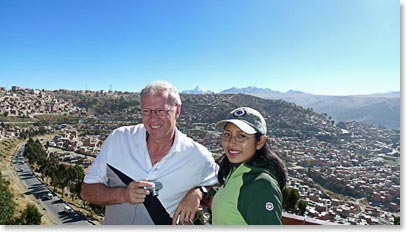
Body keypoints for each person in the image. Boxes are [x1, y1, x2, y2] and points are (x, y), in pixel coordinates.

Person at [80, 81, 218, 225]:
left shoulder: (198, 156)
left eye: (160, 111)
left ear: (177, 111)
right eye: (146, 111)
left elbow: (222, 186)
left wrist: (199, 192)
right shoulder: (118, 139)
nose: (152, 118)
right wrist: (123, 194)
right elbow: (87, 191)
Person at [210, 107, 287, 225]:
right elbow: (234, 196)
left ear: (260, 141)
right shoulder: (236, 170)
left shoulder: (261, 185)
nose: (231, 142)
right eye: (227, 134)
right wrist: (202, 192)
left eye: (241, 136)